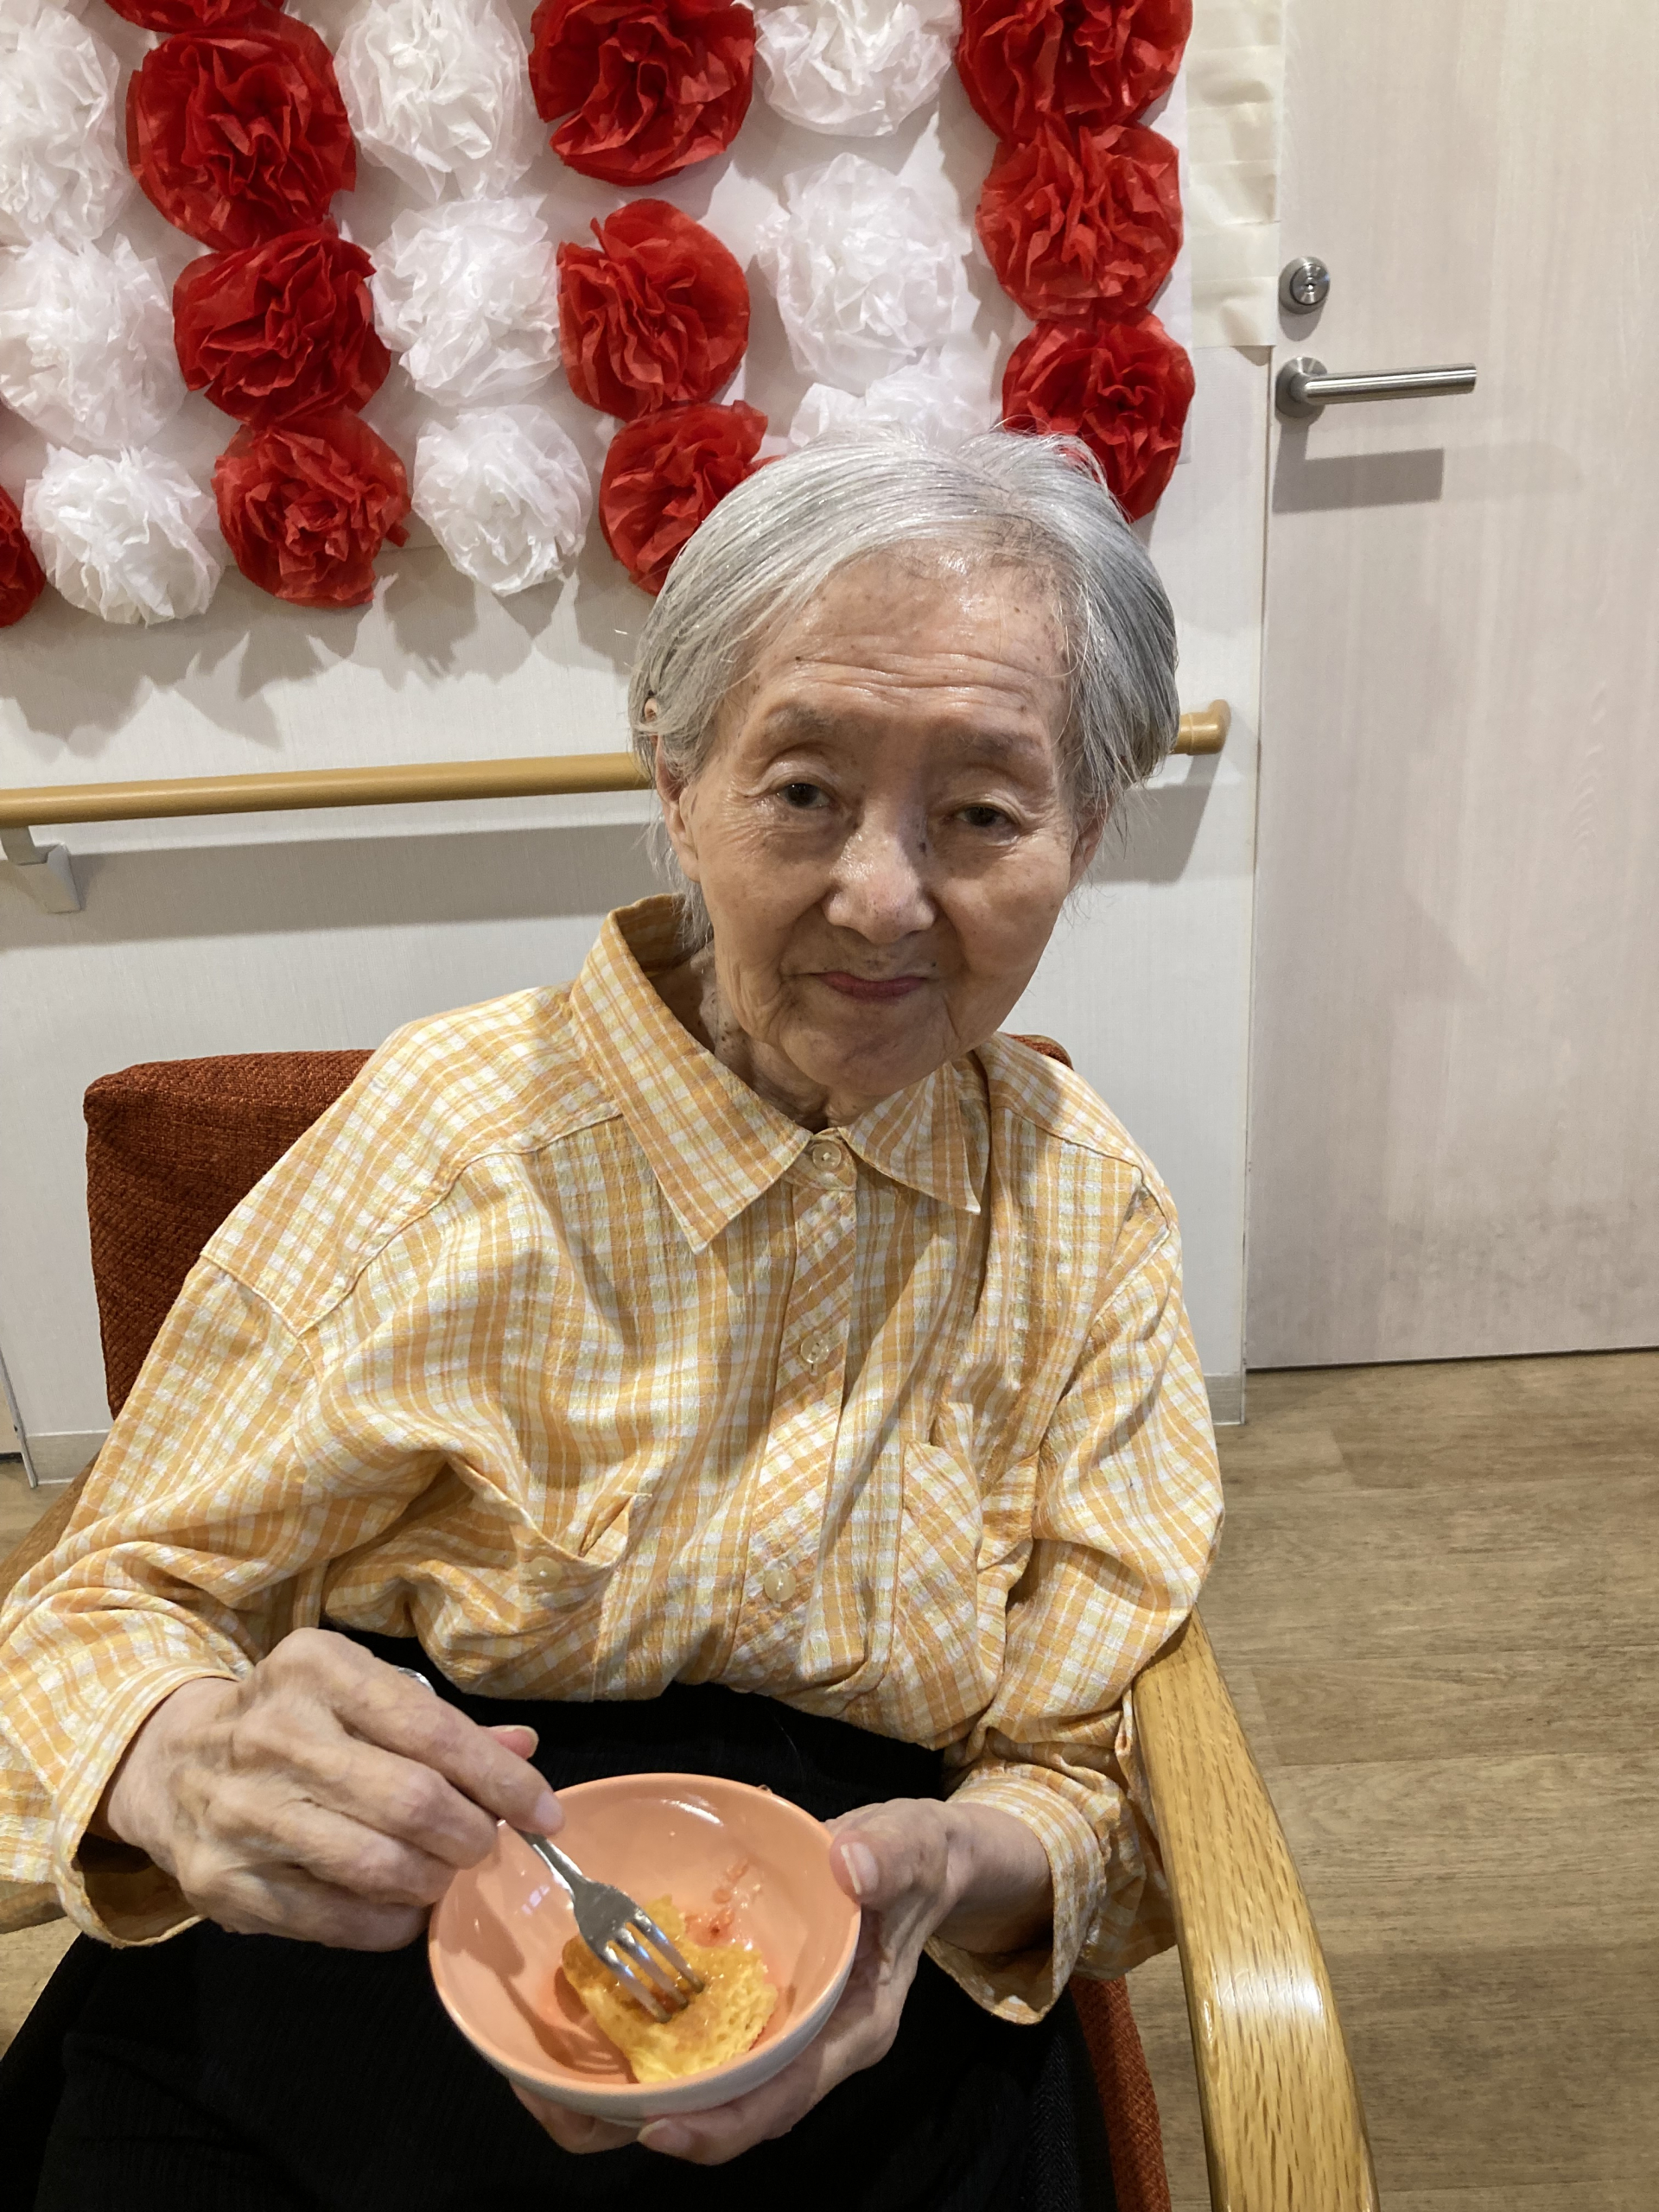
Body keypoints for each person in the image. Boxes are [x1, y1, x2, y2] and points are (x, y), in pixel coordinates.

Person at [0, 431, 1222, 2211]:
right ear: (678, 778)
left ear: (1085, 833)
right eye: (802, 788)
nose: (884, 896)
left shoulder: (1084, 1210)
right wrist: (180, 1757)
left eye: (983, 813)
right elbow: (93, 1605)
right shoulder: (447, 1138)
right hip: (393, 1897)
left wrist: (963, 1865)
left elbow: (1103, 1764)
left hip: (877, 1968)